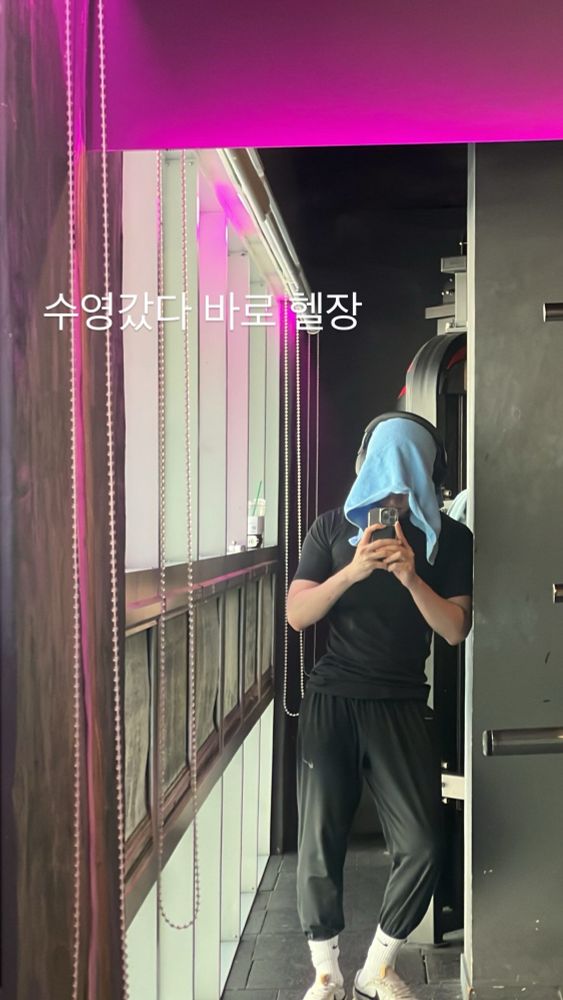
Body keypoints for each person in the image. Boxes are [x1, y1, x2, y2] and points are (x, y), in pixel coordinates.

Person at [286, 414, 473, 1000]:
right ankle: (326, 974)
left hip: (401, 702)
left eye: (404, 476)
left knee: (423, 843)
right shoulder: (331, 529)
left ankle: (379, 966)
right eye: (382, 475)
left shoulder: (450, 539)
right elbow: (298, 615)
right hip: (333, 697)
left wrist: (413, 578)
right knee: (319, 842)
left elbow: (454, 630)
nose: (392, 495)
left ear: (426, 474)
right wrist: (352, 571)